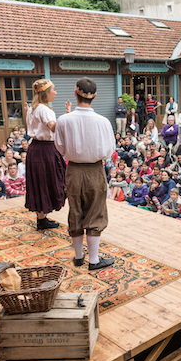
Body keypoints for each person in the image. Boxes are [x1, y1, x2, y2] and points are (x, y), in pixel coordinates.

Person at [55, 77, 116, 270]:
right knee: (95, 211)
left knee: (76, 210)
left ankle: (79, 256)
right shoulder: (103, 121)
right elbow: (109, 149)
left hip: (73, 168)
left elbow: (60, 147)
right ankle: (94, 260)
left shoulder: (63, 120)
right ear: (95, 96)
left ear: (75, 93)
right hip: (95, 169)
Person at [23, 79, 68, 230]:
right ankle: (43, 219)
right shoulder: (44, 109)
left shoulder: (32, 108)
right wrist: (66, 118)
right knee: (55, 180)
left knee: (39, 183)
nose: (55, 93)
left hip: (35, 148)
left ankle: (41, 220)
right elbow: (53, 127)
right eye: (53, 90)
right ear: (46, 93)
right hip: (45, 150)